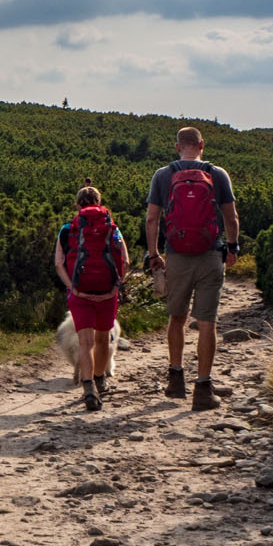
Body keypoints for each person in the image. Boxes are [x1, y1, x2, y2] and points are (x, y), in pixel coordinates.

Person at [143, 126, 241, 412]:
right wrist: (232, 247)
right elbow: (231, 216)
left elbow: (152, 219)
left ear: (177, 147)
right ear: (201, 145)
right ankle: (203, 388)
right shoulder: (218, 174)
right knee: (207, 322)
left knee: (177, 318)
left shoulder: (163, 175)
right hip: (211, 254)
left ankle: (175, 379)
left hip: (177, 255)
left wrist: (154, 255)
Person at [54, 183, 129, 411]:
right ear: (99, 203)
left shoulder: (67, 229)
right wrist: (115, 288)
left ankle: (88, 389)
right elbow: (125, 260)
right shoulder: (112, 228)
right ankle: (100, 379)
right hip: (107, 293)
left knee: (85, 342)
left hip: (80, 294)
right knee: (103, 339)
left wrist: (73, 289)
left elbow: (58, 263)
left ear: (77, 205)